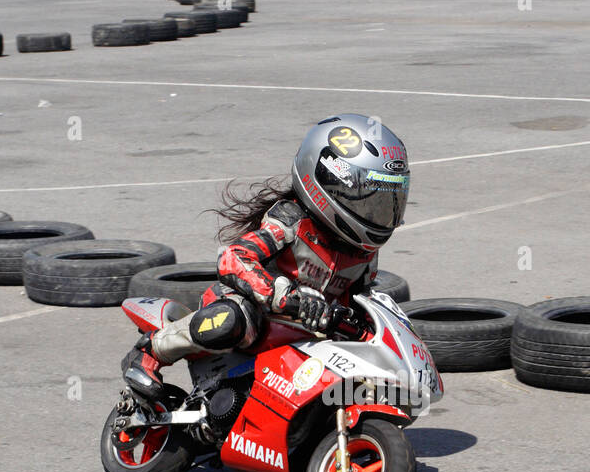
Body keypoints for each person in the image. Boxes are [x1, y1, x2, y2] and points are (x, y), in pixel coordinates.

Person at [126, 114, 411, 400]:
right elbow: (234, 259)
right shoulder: (291, 221)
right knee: (230, 319)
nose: (380, 214)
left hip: (309, 331)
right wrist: (282, 295)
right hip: (257, 311)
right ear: (331, 184)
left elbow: (359, 299)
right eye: (371, 202)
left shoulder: (365, 254)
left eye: (388, 203)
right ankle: (151, 352)